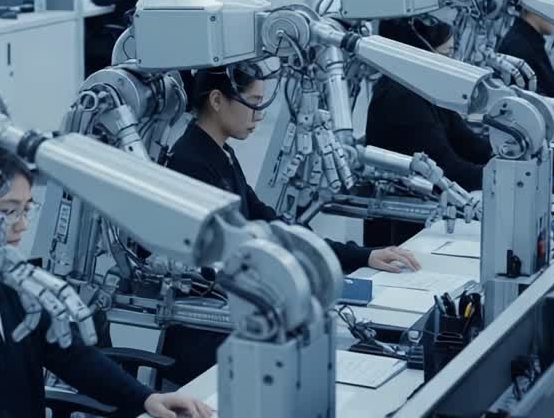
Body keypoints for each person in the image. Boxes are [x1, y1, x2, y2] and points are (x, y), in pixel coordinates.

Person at [0, 154, 213, 418]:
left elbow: (66, 352)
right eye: (8, 211)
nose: (23, 225)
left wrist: (147, 398)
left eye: (26, 208)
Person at [158, 66, 419, 384]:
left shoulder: (219, 153)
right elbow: (228, 258)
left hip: (236, 315)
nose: (259, 116)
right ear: (216, 100)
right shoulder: (191, 162)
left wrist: (362, 256)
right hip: (208, 331)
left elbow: (271, 223)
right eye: (253, 103)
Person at [364, 17, 494, 247]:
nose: (453, 63)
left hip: (427, 219)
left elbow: (469, 143)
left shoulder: (427, 88)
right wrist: (501, 177)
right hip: (404, 232)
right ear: (420, 53)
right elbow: (449, 168)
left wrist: (508, 154)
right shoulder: (401, 96)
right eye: (446, 55)